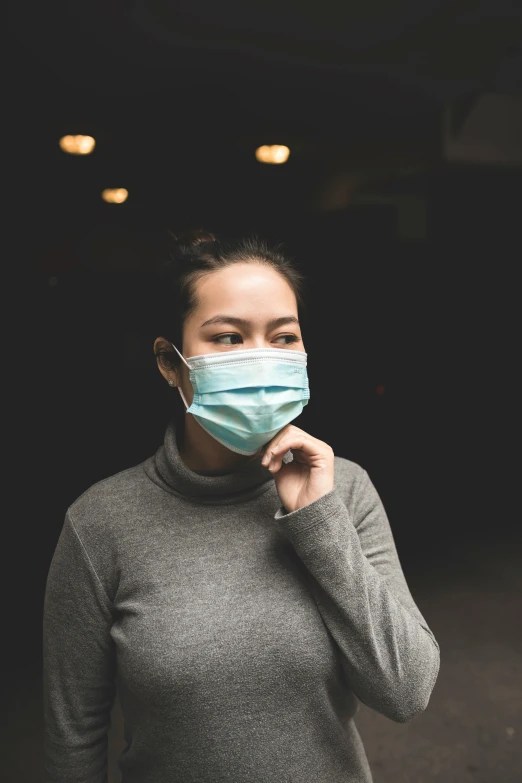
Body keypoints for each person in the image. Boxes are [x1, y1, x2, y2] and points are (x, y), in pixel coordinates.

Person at [43, 228, 440, 783]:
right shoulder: (100, 523)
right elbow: (74, 736)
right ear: (169, 362)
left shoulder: (345, 491)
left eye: (283, 337)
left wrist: (318, 522)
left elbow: (406, 689)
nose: (260, 358)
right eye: (228, 338)